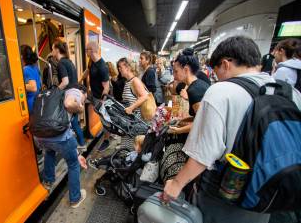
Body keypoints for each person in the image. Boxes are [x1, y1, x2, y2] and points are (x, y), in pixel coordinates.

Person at [162, 36, 301, 223]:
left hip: (226, 193)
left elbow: (204, 152)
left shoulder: (221, 91)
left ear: (226, 64)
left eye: (216, 69)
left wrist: (176, 184)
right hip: (271, 189)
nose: (216, 75)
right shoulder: (290, 92)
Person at [34, 85, 88, 208]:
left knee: (49, 152)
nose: (83, 101)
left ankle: (48, 181)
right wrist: (80, 108)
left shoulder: (56, 95)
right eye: (85, 98)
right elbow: (69, 104)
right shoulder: (75, 92)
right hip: (60, 137)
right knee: (73, 164)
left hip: (42, 136)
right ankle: (75, 198)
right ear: (83, 92)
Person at [168, 48, 210, 135]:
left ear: (186, 70)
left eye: (176, 71)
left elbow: (202, 123)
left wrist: (178, 130)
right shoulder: (198, 84)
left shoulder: (194, 91)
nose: (174, 75)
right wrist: (180, 121)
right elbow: (198, 117)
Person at [51, 40, 85, 147]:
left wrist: (55, 92)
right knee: (74, 122)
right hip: (76, 93)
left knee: (70, 121)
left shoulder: (61, 63)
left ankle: (80, 107)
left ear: (57, 50)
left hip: (70, 93)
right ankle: (81, 144)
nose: (52, 52)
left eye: (52, 49)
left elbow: (65, 82)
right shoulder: (69, 61)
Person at [80, 41, 110, 152]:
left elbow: (106, 87)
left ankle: (106, 140)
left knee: (105, 120)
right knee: (83, 102)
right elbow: (87, 71)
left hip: (101, 98)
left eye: (86, 50)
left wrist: (103, 101)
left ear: (91, 50)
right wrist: (79, 81)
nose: (86, 52)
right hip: (93, 94)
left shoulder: (102, 67)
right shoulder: (91, 62)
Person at [117, 57, 149, 150]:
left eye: (120, 67)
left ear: (128, 68)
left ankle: (130, 162)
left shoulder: (135, 81)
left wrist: (131, 108)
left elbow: (144, 96)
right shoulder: (128, 82)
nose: (119, 69)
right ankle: (128, 160)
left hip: (136, 120)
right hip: (131, 120)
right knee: (128, 145)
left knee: (132, 146)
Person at [20, 45, 42, 113]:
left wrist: (18, 85)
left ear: (21, 56)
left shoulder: (26, 69)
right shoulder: (35, 68)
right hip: (38, 102)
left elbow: (33, 87)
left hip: (31, 104)